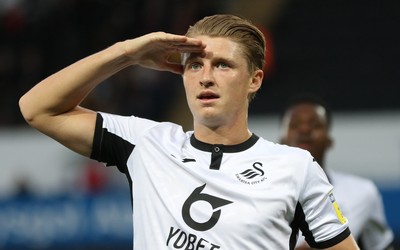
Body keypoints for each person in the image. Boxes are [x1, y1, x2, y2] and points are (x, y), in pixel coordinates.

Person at [19, 14, 359, 249]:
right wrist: (126, 53)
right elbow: (37, 108)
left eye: (222, 65)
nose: (205, 76)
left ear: (254, 79)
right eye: (194, 64)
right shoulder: (146, 143)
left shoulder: (295, 168)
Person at [279, 94, 394, 250]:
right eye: (295, 125)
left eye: (315, 125)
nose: (304, 129)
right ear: (281, 140)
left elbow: (382, 245)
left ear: (329, 141)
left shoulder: (362, 192)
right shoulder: (261, 190)